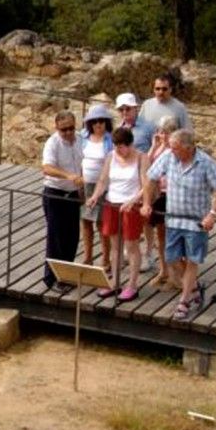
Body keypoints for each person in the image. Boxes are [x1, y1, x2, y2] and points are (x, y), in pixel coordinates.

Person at [142, 129, 216, 320]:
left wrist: (212, 215)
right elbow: (151, 177)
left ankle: (184, 300)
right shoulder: (168, 157)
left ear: (189, 148)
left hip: (196, 223)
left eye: (176, 149)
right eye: (172, 148)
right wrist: (147, 202)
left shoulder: (206, 163)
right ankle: (195, 288)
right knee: (171, 258)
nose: (172, 152)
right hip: (174, 219)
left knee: (192, 260)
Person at [87, 126, 149, 302]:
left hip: (131, 207)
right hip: (112, 204)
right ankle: (114, 281)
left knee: (132, 246)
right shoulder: (111, 157)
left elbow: (147, 185)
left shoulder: (141, 158)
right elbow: (103, 180)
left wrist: (134, 200)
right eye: (116, 146)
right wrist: (94, 196)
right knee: (115, 246)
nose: (119, 150)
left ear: (130, 144)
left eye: (122, 146)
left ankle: (132, 284)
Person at [40, 111, 85, 291]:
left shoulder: (81, 140)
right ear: (57, 128)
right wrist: (68, 176)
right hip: (55, 193)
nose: (68, 132)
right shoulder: (53, 143)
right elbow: (47, 167)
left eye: (71, 128)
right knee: (56, 237)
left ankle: (65, 274)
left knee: (72, 236)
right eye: (64, 129)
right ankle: (52, 278)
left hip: (73, 193)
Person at [144, 116, 180, 286]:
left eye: (167, 132)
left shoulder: (174, 150)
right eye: (161, 132)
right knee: (161, 235)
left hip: (170, 194)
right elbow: (149, 164)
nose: (163, 135)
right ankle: (164, 269)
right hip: (159, 194)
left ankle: (175, 274)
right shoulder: (160, 148)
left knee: (170, 235)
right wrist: (153, 145)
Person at [79, 104, 114, 268]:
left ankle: (106, 258)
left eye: (101, 121)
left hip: (102, 185)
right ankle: (88, 257)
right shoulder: (83, 137)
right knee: (86, 221)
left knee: (101, 223)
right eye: (95, 121)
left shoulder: (110, 140)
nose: (98, 124)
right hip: (86, 184)